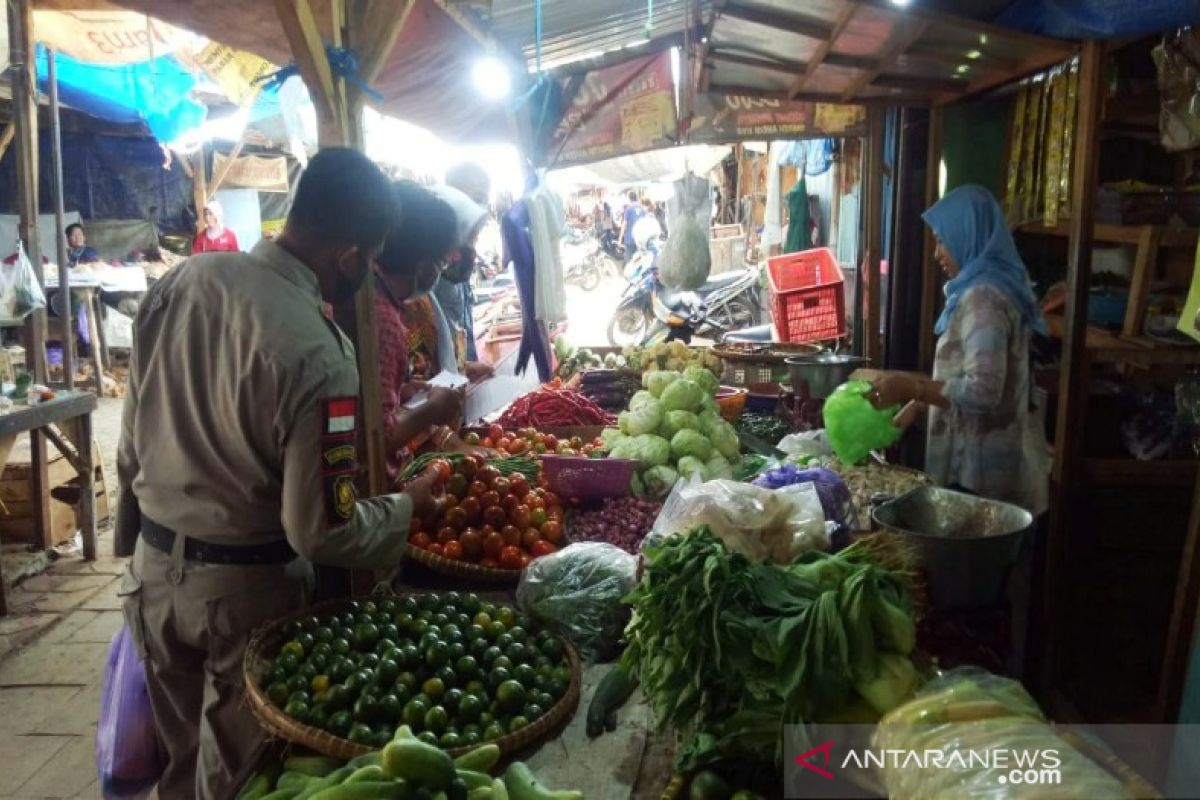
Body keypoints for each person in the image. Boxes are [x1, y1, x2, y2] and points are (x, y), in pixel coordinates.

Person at [115, 149, 442, 799]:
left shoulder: (183, 282)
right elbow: (320, 530)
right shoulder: (319, 355)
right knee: (238, 771)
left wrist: (134, 548)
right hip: (243, 593)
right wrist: (408, 506)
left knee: (177, 759)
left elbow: (128, 442)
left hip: (152, 572)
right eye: (369, 262)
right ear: (350, 258)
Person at [869, 184, 1049, 514]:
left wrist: (913, 386)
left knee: (973, 563)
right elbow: (962, 375)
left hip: (980, 477)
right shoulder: (983, 290)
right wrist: (916, 404)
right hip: (979, 472)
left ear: (970, 235)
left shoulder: (984, 300)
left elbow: (984, 391)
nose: (937, 252)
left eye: (942, 240)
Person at [374, 181, 473, 478]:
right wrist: (430, 411)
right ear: (424, 267)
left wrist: (402, 393)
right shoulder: (384, 320)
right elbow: (378, 437)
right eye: (442, 262)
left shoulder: (369, 295)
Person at [431, 183, 494, 379]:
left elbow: (448, 345)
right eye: (468, 239)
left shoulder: (452, 282)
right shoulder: (420, 295)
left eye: (474, 240)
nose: (471, 252)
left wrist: (462, 368)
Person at [619, 190, 645, 259]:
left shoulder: (628, 209)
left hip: (630, 238)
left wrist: (620, 238)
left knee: (630, 260)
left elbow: (624, 224)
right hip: (641, 238)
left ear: (629, 198)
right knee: (640, 259)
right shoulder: (642, 209)